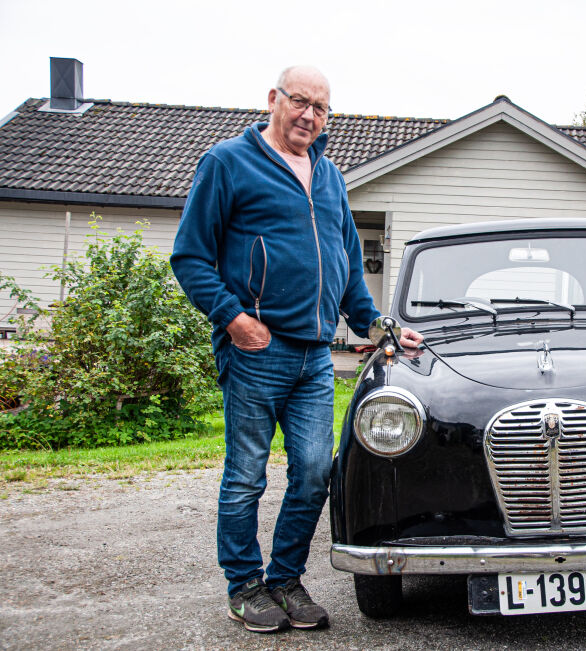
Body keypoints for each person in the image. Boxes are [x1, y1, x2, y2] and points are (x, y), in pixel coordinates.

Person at [171, 65, 423, 634]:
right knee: (246, 475)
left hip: (313, 355)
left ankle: (285, 577)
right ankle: (244, 587)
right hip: (256, 350)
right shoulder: (227, 164)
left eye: (321, 107)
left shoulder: (331, 177)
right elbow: (189, 257)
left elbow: (348, 268)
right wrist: (234, 320)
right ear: (273, 100)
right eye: (300, 101)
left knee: (314, 471)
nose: (309, 115)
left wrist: (378, 324)